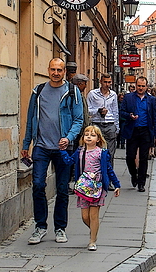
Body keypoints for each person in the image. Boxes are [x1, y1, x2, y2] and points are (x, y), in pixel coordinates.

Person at [21, 58, 84, 245]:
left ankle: (60, 228)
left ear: (65, 72)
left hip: (63, 148)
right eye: (53, 69)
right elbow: (31, 117)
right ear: (48, 70)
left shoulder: (72, 92)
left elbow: (78, 119)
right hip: (41, 146)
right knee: (38, 185)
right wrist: (26, 144)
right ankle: (40, 226)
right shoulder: (38, 91)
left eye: (60, 70)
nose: (56, 73)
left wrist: (69, 137)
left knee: (62, 189)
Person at [62, 125, 120, 251]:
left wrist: (116, 184)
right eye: (87, 134)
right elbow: (68, 161)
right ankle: (94, 229)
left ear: (98, 139)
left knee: (94, 215)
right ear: (83, 137)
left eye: (93, 135)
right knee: (85, 216)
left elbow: (109, 170)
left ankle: (92, 240)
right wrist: (62, 150)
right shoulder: (80, 151)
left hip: (97, 188)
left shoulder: (102, 153)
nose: (89, 137)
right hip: (84, 188)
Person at [120, 76, 156, 192]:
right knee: (130, 157)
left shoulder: (151, 100)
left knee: (143, 158)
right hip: (132, 131)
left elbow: (155, 118)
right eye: (139, 86)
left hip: (145, 131)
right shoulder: (128, 98)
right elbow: (121, 112)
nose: (141, 88)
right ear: (136, 85)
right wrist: (130, 116)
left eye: (143, 86)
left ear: (146, 87)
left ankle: (141, 183)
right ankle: (134, 174)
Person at [87, 73, 119, 171]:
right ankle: (96, 178)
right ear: (100, 82)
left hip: (110, 125)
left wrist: (116, 128)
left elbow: (115, 111)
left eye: (109, 82)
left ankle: (108, 181)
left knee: (109, 154)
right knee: (94, 154)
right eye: (105, 82)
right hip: (97, 124)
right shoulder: (92, 94)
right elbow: (88, 110)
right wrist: (98, 110)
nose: (107, 84)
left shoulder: (113, 95)